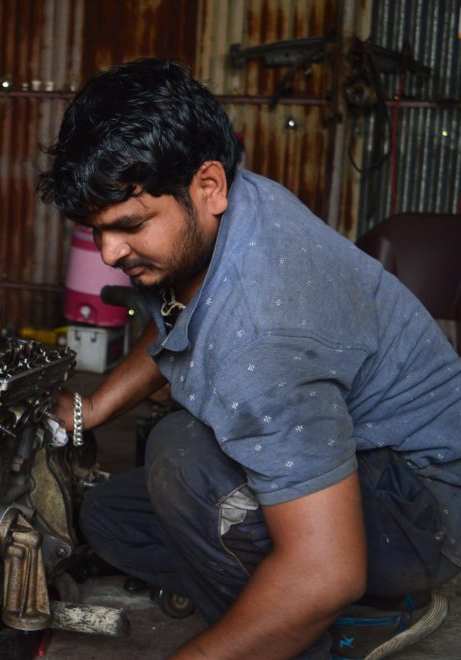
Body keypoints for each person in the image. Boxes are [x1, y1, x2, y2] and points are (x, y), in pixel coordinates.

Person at [39, 58, 461, 659]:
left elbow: (328, 571)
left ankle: (337, 630)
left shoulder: (264, 331)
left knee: (182, 458)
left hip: (424, 506)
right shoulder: (222, 211)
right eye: (95, 230)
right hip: (365, 462)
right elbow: (177, 323)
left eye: (129, 225)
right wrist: (88, 409)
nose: (108, 253)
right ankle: (292, 609)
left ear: (207, 187)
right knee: (109, 519)